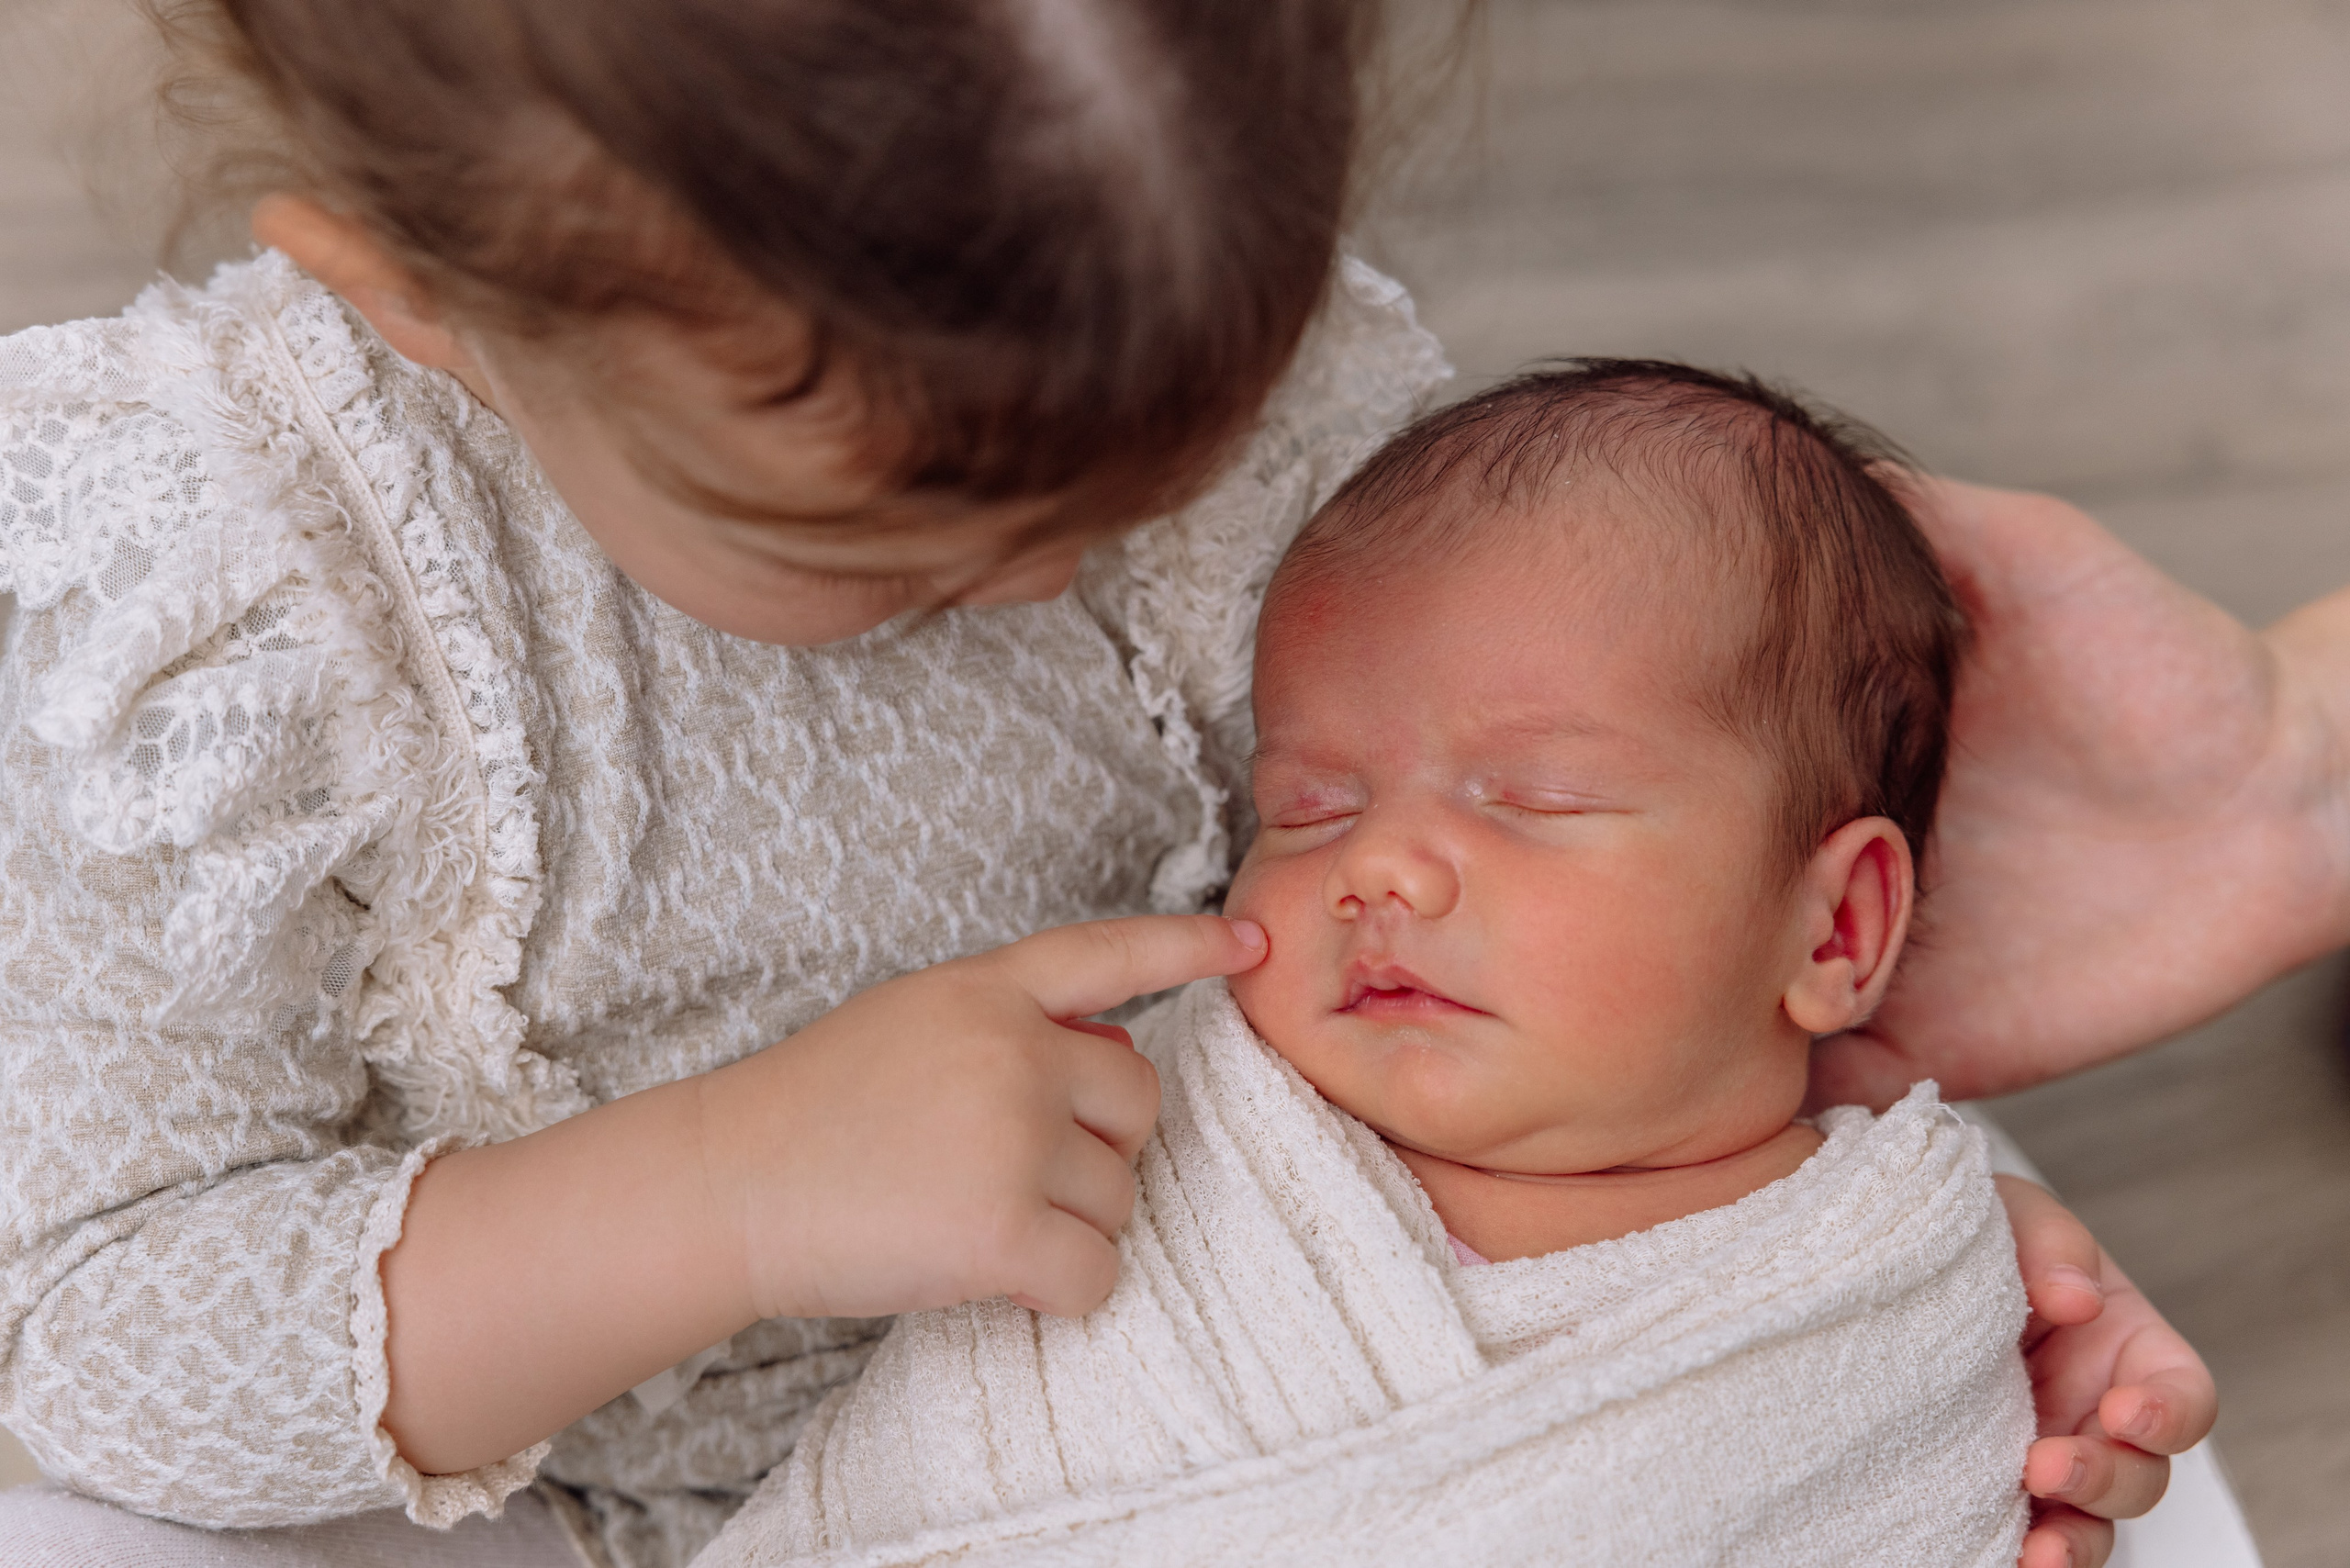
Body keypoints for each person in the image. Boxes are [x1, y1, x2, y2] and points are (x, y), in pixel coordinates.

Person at [0, 4, 2202, 1567]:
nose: (1059, 571)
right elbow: (89, 1341)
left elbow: (1492, 915)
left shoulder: (1217, 337)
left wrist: (1761, 1271)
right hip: (557, 1448)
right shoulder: (231, 610)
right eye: (881, 543)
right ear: (424, 297)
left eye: (1167, 449)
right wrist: (732, 1191)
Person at [701, 362, 2041, 1567]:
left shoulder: (1882, 1295)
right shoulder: (1163, 1127)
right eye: (1311, 807)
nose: (1377, 868)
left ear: (1834, 929)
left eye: (1534, 798)